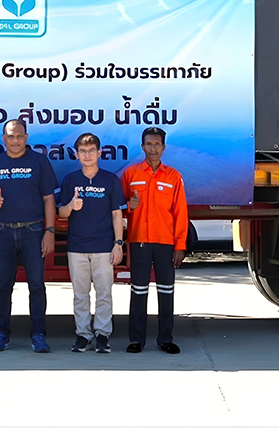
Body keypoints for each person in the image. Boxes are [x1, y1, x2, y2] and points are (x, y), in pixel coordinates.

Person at [0, 119, 58, 353]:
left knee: (37, 285)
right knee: (4, 285)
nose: (15, 140)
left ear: (26, 137)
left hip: (34, 231)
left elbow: (49, 199)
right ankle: (1, 334)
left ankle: (39, 335)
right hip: (4, 230)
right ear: (3, 138)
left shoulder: (39, 161)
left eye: (19, 136)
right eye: (11, 136)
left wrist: (50, 231)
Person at [120, 126, 188, 354]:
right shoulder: (131, 174)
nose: (153, 149)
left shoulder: (173, 177)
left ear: (163, 147)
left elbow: (180, 213)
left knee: (166, 291)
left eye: (156, 144)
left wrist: (180, 245)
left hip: (165, 243)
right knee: (138, 291)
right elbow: (118, 209)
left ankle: (165, 339)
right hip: (139, 240)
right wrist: (129, 206)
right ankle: (136, 340)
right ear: (142, 147)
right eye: (148, 144)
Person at [58, 133, 127, 354]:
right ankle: (83, 335)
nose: (87, 155)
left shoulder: (110, 180)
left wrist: (118, 243)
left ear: (99, 153)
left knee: (104, 293)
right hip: (77, 247)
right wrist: (71, 206)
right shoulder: (70, 180)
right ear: (76, 155)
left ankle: (102, 335)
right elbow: (61, 213)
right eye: (83, 151)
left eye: (91, 151)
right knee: (80, 294)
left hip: (104, 246)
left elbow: (117, 214)